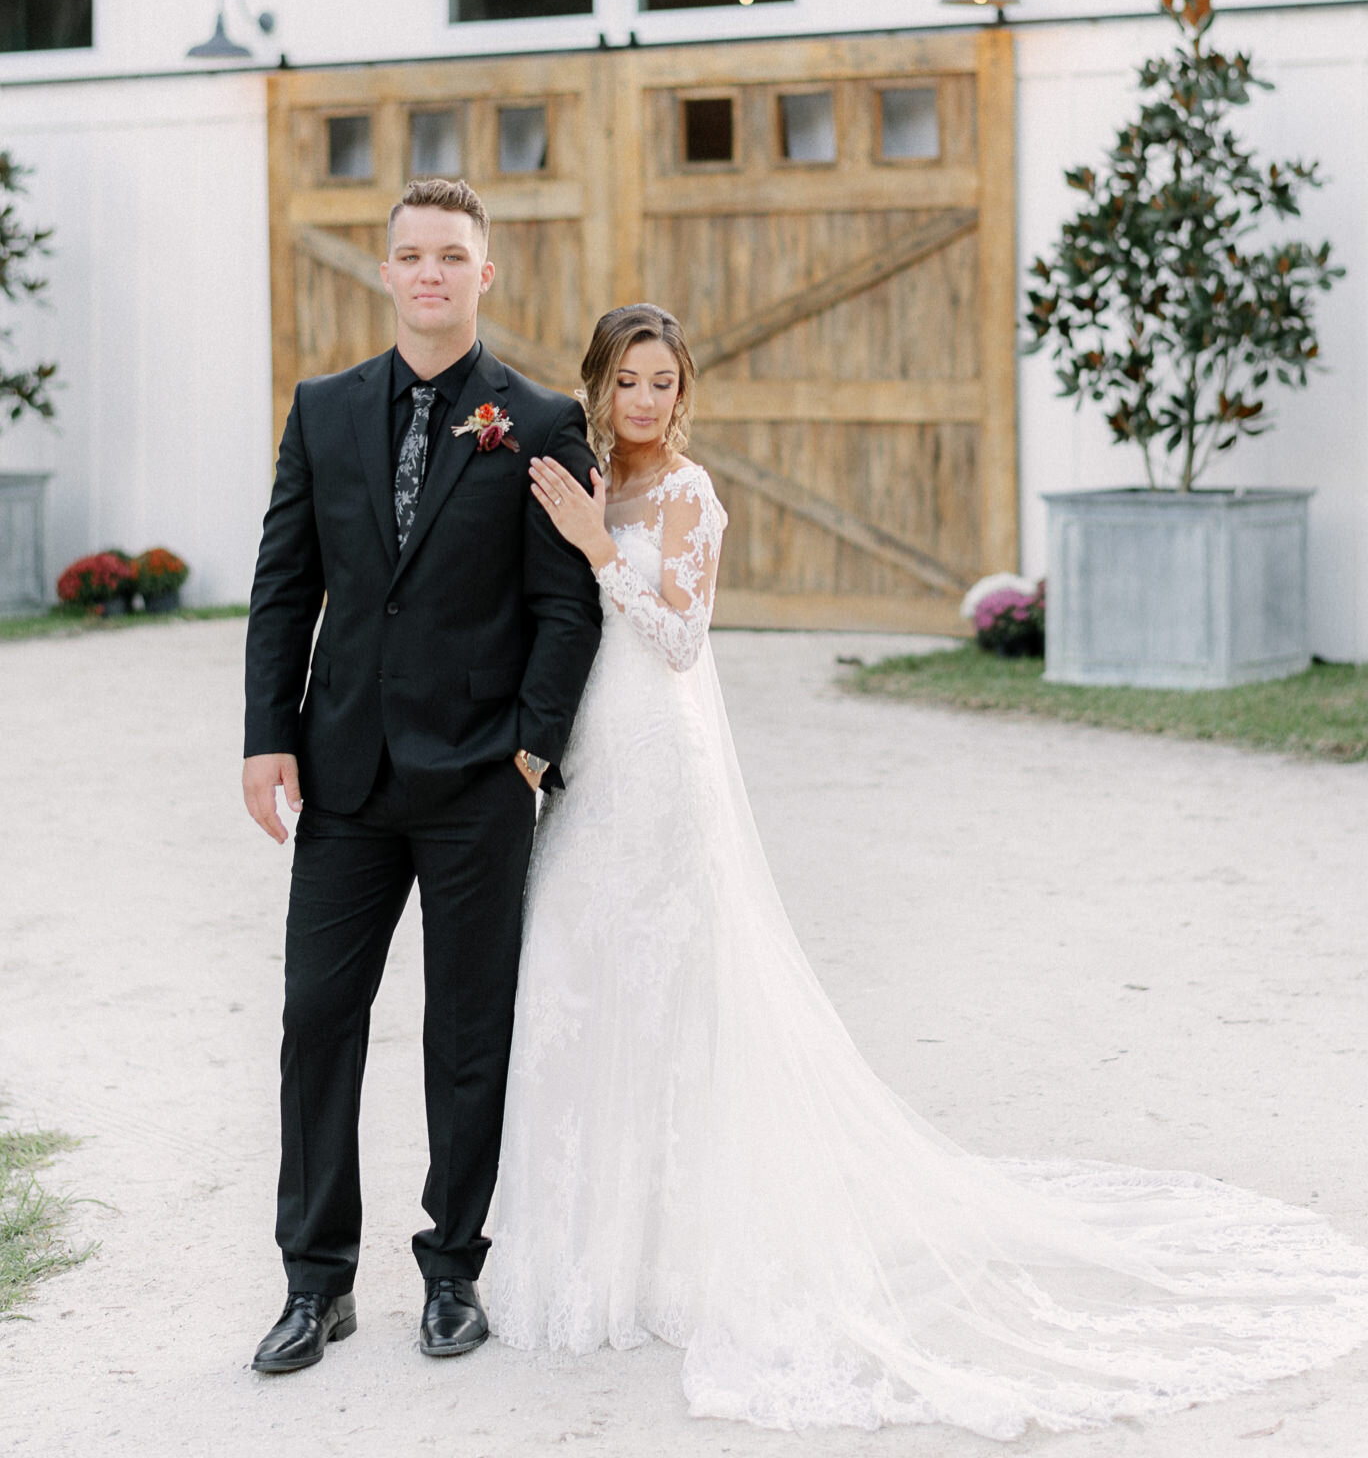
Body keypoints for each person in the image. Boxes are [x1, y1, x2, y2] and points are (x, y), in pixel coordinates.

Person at [485, 300, 1368, 1438]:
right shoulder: (578, 478)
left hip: (667, 758)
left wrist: (603, 551)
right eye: (626, 382)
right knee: (575, 975)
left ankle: (678, 1256)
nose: (644, 401)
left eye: (662, 382)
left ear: (683, 391)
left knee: (679, 989)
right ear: (596, 386)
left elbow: (680, 638)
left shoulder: (691, 497)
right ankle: (577, 1249)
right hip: (594, 761)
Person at [241, 177, 601, 1374]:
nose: (431, 272)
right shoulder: (324, 409)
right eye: (411, 255)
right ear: (386, 273)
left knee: (467, 1034)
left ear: (484, 275)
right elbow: (287, 583)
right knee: (316, 1023)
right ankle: (315, 1283)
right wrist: (266, 733)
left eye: (453, 254)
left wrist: (532, 748)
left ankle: (452, 1271)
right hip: (343, 773)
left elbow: (565, 604)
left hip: (476, 784)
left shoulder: (538, 420)